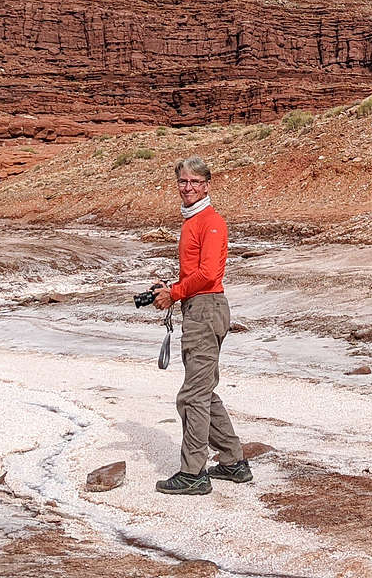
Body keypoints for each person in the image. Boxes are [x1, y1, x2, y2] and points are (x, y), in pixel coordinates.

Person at [152, 156, 250, 495]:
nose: (188, 187)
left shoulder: (210, 222)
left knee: (191, 397)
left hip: (205, 311)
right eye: (183, 182)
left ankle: (193, 473)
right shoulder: (193, 221)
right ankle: (234, 461)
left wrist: (174, 293)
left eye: (195, 182)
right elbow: (198, 272)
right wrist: (172, 291)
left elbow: (209, 274)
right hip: (200, 309)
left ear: (207, 185)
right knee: (202, 392)